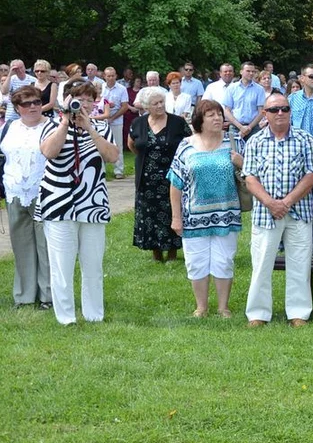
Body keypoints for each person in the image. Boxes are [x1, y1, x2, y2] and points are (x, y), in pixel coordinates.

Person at [38, 80, 120, 325]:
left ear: (94, 102)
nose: (83, 104)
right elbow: (49, 152)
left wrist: (90, 129)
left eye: (88, 99)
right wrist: (65, 122)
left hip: (92, 203)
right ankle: (66, 317)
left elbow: (113, 156)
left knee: (93, 264)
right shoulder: (50, 125)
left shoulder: (102, 127)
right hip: (58, 202)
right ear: (66, 99)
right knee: (61, 265)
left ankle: (94, 314)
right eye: (78, 98)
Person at [243, 91, 313, 327]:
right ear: (265, 114)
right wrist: (270, 202)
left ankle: (298, 313)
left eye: (285, 109)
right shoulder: (255, 141)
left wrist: (286, 202)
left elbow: (312, 175)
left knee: (299, 264)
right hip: (264, 213)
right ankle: (258, 314)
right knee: (261, 264)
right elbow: (250, 178)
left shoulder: (305, 138)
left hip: (299, 212)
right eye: (275, 109)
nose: (280, 113)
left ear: (290, 112)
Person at [167, 100, 245, 318]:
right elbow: (175, 183)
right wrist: (176, 217)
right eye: (211, 115)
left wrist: (241, 162)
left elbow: (252, 174)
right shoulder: (186, 145)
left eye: (219, 114)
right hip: (193, 216)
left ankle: (223, 307)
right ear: (200, 120)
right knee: (196, 261)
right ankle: (201, 307)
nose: (218, 118)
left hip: (225, 215)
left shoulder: (234, 142)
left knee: (224, 260)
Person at [2, 86, 52, 309]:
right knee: (21, 245)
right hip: (15, 192)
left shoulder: (51, 126)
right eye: (26, 103)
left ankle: (48, 296)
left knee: (45, 246)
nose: (33, 106)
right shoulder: (10, 126)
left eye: (37, 102)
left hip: (43, 193)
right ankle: (24, 295)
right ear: (17, 108)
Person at [129, 87, 191, 262]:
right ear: (147, 107)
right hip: (146, 178)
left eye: (162, 102)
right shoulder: (138, 123)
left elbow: (190, 144)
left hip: (172, 177)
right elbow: (132, 145)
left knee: (173, 211)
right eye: (155, 103)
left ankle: (172, 252)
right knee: (150, 214)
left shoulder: (177, 122)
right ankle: (156, 252)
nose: (160, 106)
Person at [98, 67, 129, 179]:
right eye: (108, 76)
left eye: (113, 75)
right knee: (101, 144)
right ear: (105, 76)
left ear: (116, 76)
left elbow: (125, 106)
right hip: (101, 121)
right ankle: (101, 170)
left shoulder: (122, 89)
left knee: (118, 145)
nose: (110, 78)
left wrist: (113, 117)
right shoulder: (100, 88)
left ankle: (119, 170)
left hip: (117, 120)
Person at [226, 61, 266, 139]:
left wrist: (249, 127)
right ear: (241, 72)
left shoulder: (259, 89)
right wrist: (240, 127)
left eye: (253, 71)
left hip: (253, 128)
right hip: (235, 127)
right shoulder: (232, 88)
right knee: (234, 150)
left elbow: (261, 111)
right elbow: (227, 110)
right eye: (248, 71)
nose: (251, 73)